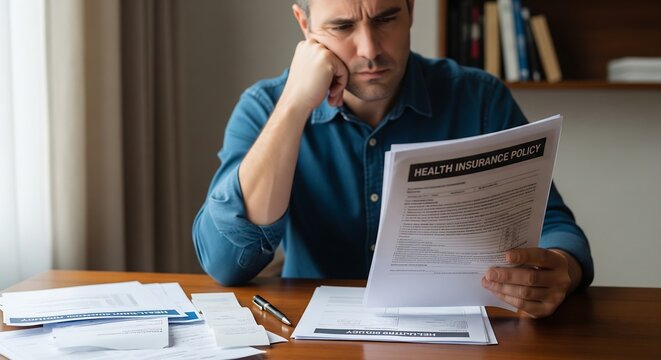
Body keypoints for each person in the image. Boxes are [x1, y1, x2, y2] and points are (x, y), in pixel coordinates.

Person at [193, 0, 593, 318]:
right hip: (312, 340)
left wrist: (560, 268)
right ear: (305, 25)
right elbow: (227, 262)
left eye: (386, 18)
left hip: (459, 332)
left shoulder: (480, 99)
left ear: (412, 11)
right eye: (342, 26)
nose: (370, 49)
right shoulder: (265, 108)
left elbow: (554, 225)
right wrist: (295, 105)